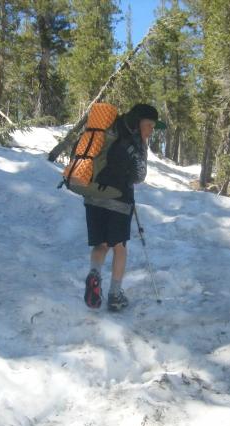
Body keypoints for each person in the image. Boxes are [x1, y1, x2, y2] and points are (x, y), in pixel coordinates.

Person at [83, 104, 163, 312]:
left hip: (92, 196)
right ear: (140, 121)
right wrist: (143, 147)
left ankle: (94, 275)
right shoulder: (135, 141)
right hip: (118, 200)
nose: (151, 130)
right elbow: (139, 176)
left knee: (101, 244)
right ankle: (115, 295)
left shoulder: (108, 128)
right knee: (119, 247)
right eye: (150, 125)